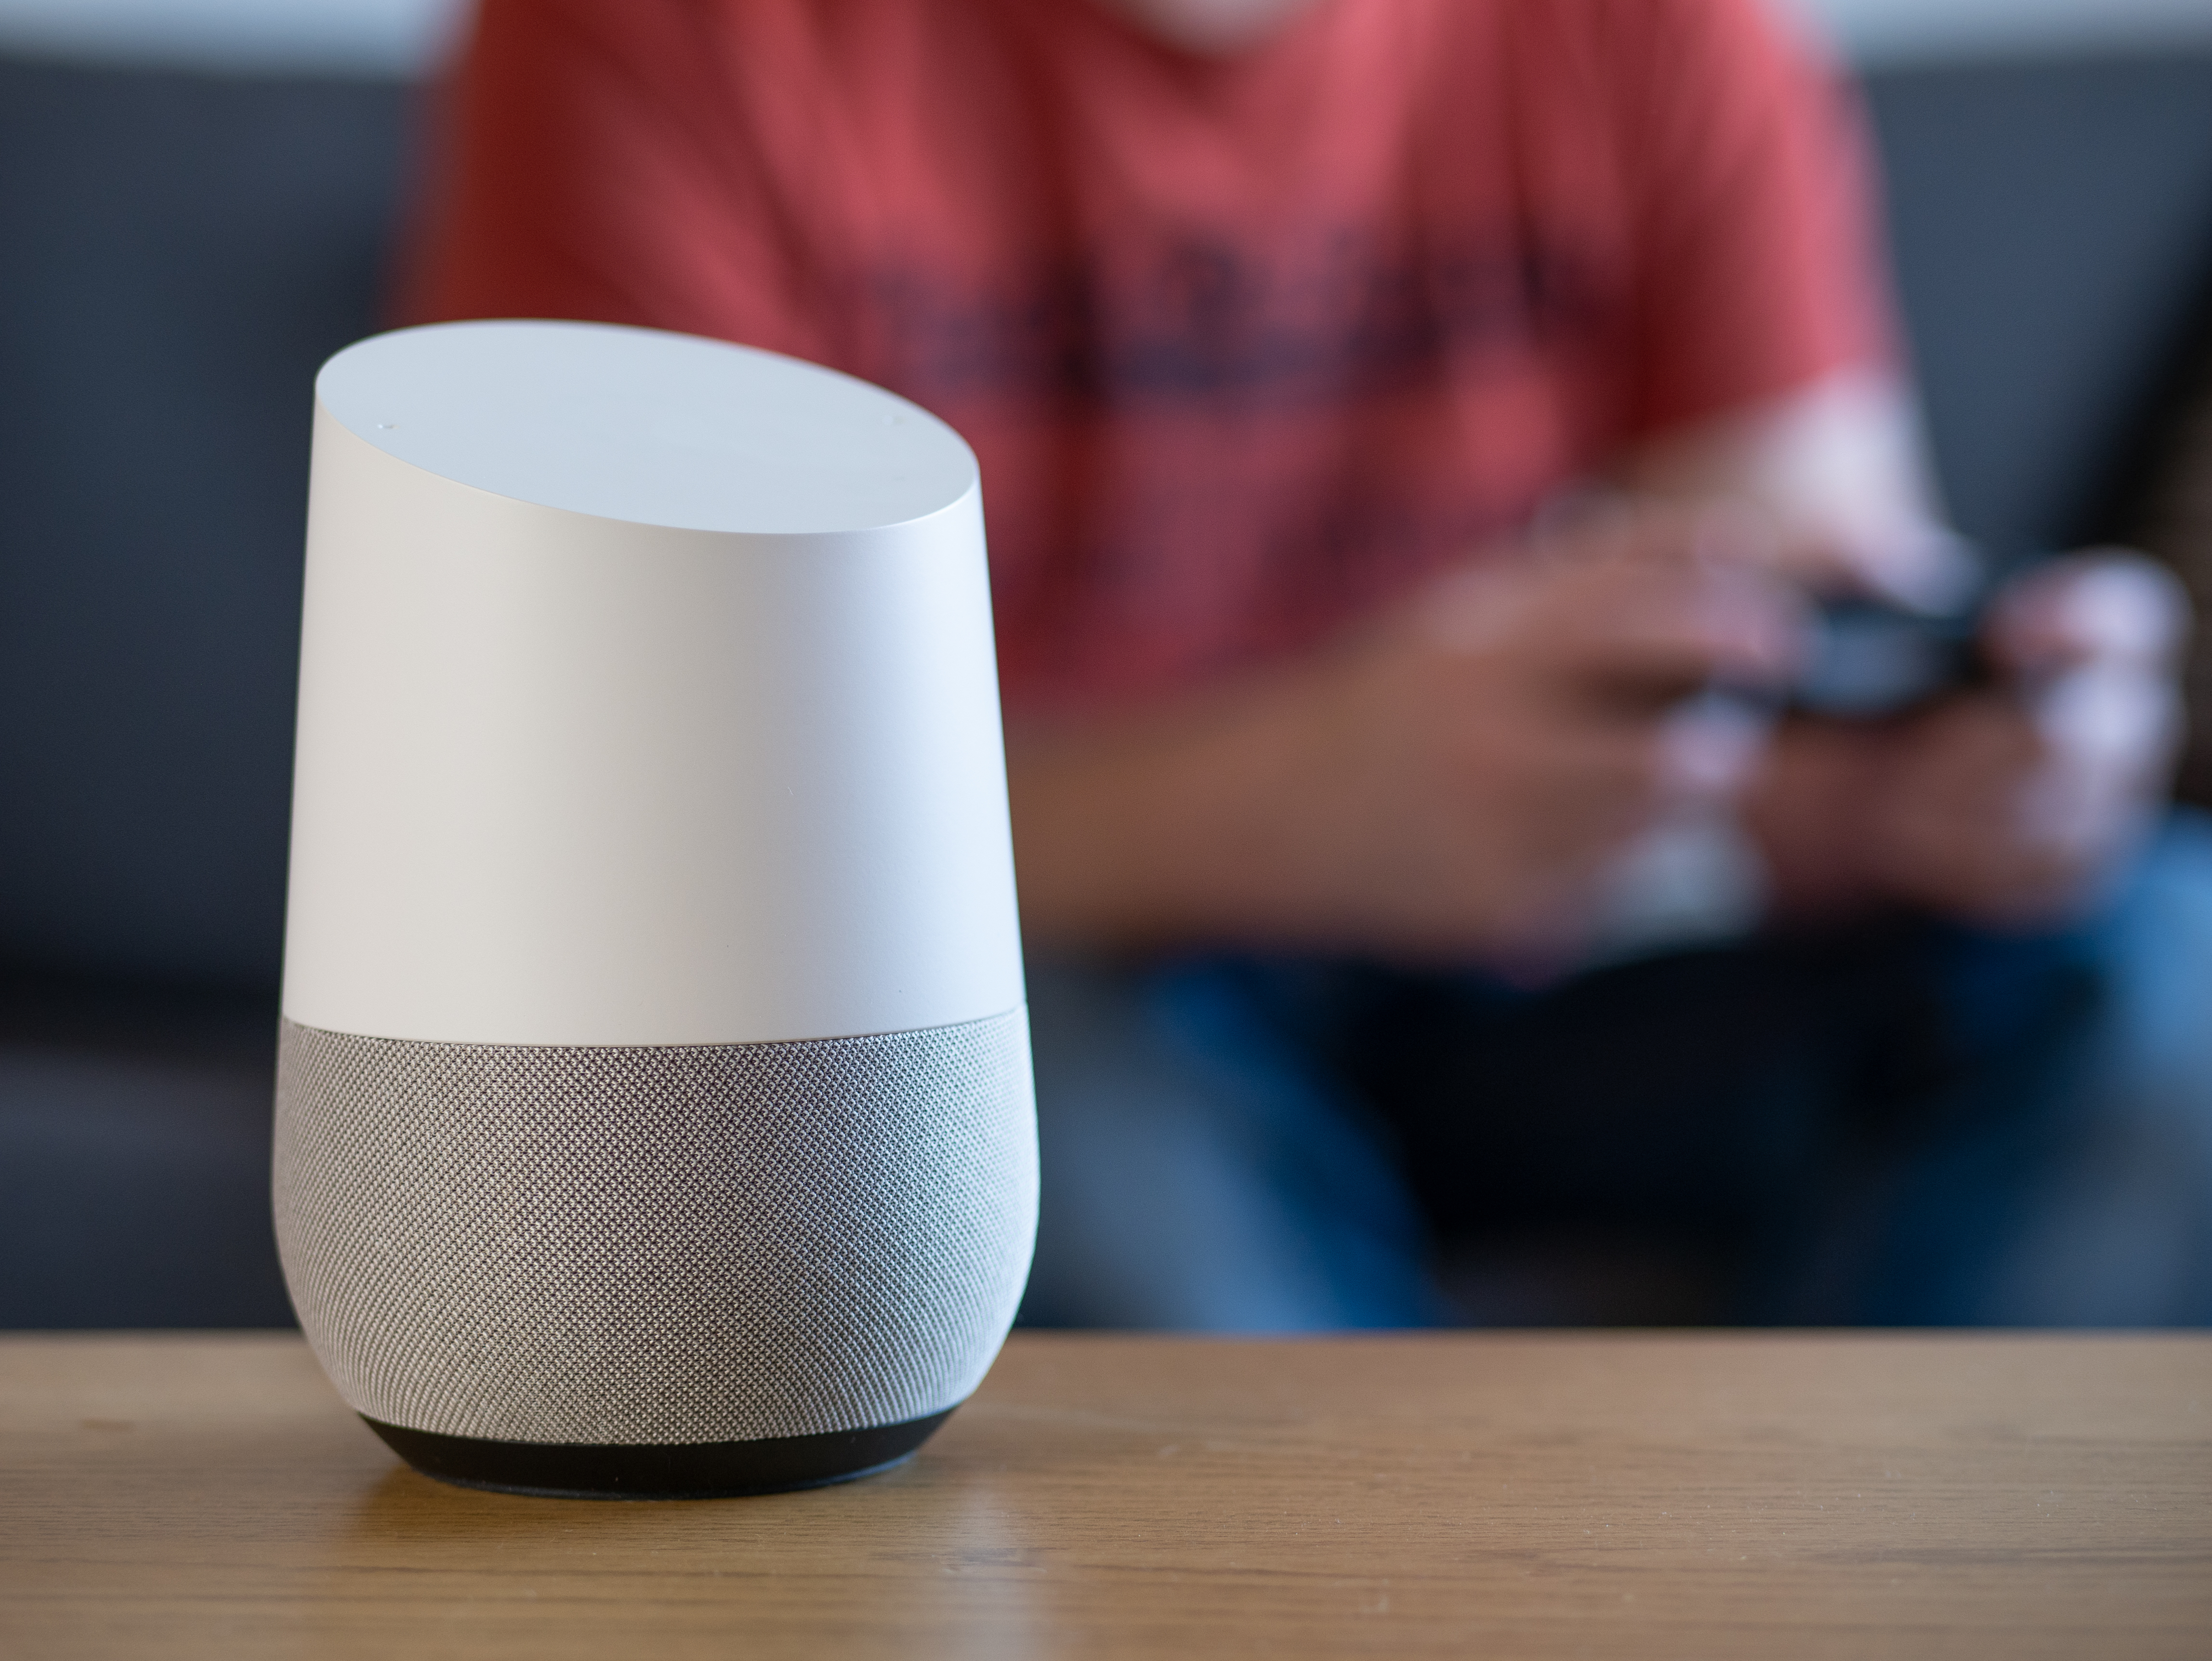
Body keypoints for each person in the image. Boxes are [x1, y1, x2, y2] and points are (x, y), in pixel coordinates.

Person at [404, 0, 2212, 1326]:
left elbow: (1817, 607)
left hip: (1580, 962)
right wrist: (1286, 800)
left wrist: (1972, 770)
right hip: (1065, 960)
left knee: (2159, 947)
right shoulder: (645, 39)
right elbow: (621, 831)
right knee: (961, 1074)